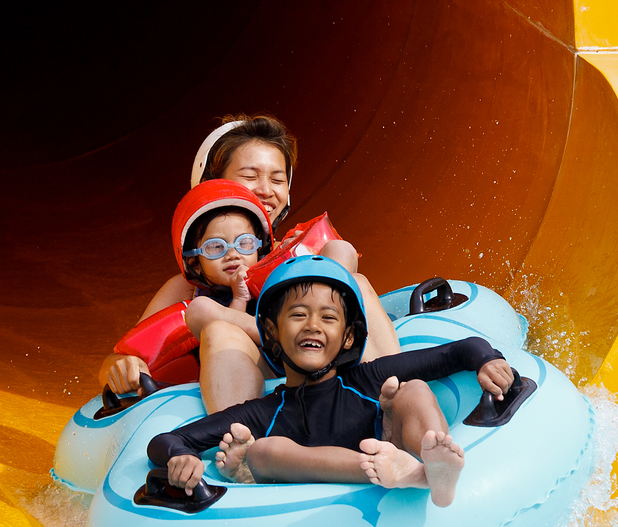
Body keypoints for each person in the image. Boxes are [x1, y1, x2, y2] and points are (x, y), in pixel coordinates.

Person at [147, 256, 513, 507]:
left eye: (328, 318)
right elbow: (167, 440)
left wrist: (487, 360)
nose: (313, 326)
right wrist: (180, 456)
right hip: (371, 472)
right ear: (271, 331)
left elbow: (459, 351)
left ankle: (437, 474)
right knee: (261, 451)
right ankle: (405, 472)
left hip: (401, 449)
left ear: (349, 338)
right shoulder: (264, 413)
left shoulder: (369, 377)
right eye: (298, 315)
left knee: (413, 389)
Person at [99, 114, 402, 409]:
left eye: (277, 179)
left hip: (327, 358)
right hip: (260, 382)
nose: (266, 190)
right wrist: (125, 366)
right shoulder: (188, 286)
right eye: (249, 176)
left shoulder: (304, 258)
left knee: (356, 283)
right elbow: (125, 355)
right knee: (218, 327)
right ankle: (241, 440)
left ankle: (392, 399)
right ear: (211, 184)